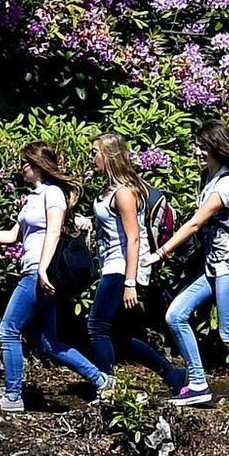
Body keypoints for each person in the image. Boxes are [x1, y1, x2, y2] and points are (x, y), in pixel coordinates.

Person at [146, 120, 229, 409]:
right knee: (176, 315)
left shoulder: (226, 183)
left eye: (202, 146)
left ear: (216, 148)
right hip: (214, 266)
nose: (197, 151)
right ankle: (197, 383)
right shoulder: (208, 178)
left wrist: (161, 253)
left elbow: (196, 223)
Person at [0, 141, 106, 411]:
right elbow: (13, 236)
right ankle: (100, 381)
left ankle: (13, 396)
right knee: (48, 343)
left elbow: (54, 231)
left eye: (25, 164)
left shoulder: (53, 194)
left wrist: (42, 269)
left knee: (8, 330)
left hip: (39, 274)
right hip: (36, 272)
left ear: (38, 165)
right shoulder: (33, 197)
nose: (21, 169)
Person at [84, 135, 185, 391]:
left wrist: (130, 282)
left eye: (95, 152)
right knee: (119, 335)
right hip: (111, 265)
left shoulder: (125, 193)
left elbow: (134, 238)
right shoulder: (108, 189)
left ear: (110, 156)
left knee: (97, 327)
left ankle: (106, 385)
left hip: (122, 267)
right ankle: (172, 374)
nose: (91, 157)